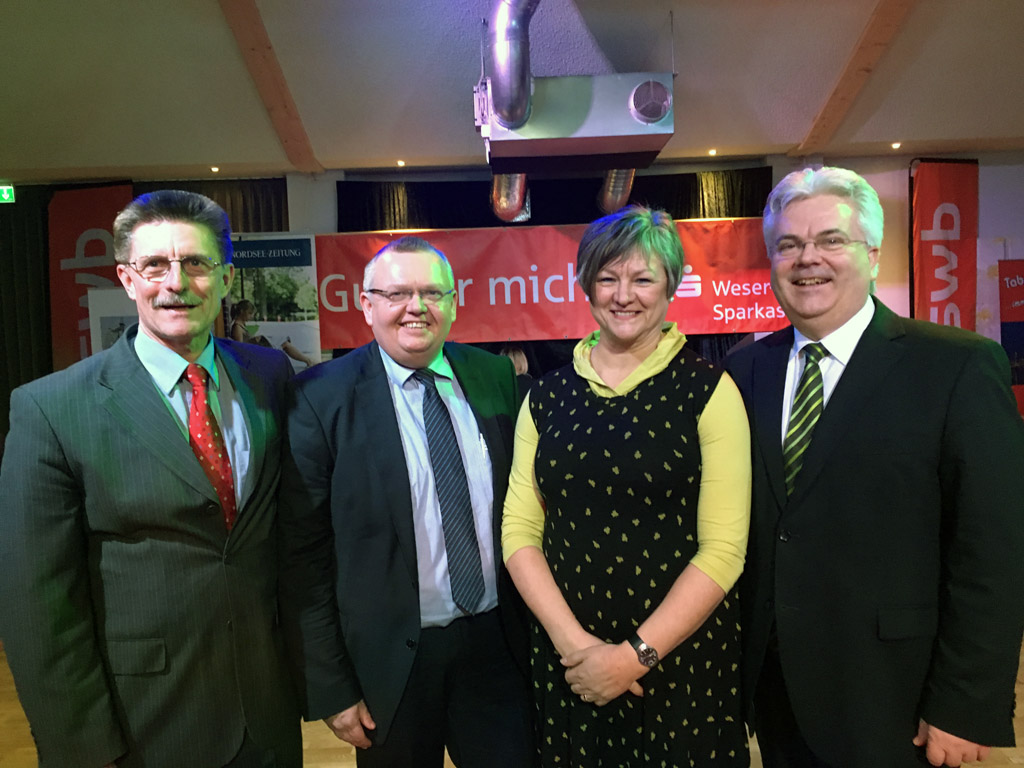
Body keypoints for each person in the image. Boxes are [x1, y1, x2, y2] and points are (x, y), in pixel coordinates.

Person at [724, 166, 1024, 768]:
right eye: (789, 244)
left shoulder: (956, 366)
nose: (808, 258)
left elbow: (993, 550)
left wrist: (964, 703)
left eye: (830, 240)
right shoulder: (745, 370)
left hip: (896, 696)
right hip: (777, 693)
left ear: (873, 254)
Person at [0, 190, 301, 768]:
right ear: (127, 278)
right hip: (142, 726)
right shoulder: (51, 408)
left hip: (267, 714)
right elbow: (36, 605)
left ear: (226, 277)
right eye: (155, 265)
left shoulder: (269, 374)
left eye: (196, 263)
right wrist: (83, 749)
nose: (176, 283)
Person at [502, 205, 752, 767]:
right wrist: (578, 649)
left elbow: (723, 549)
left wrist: (632, 657)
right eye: (608, 278)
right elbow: (519, 530)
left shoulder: (710, 391)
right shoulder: (545, 396)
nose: (623, 295)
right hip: (571, 664)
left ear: (671, 285)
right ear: (586, 284)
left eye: (642, 279)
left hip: (678, 661)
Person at [278, 236, 535, 768]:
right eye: (397, 294)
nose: (416, 307)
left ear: (453, 303)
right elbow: (303, 557)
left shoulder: (492, 377)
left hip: (497, 646)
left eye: (432, 293)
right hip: (389, 662)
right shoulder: (320, 397)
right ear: (366, 305)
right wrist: (332, 686)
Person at [230, 298, 320, 367]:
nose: (251, 316)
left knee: (284, 342)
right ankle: (308, 360)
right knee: (285, 344)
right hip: (253, 353)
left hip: (255, 349)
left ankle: (308, 360)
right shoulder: (237, 327)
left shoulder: (241, 325)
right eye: (249, 313)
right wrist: (253, 341)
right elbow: (239, 348)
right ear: (242, 312)